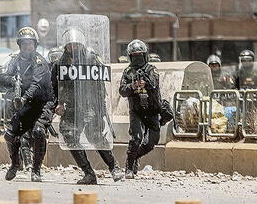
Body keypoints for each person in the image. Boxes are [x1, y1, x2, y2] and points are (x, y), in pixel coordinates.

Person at [52, 28, 123, 185]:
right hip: (71, 106)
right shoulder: (60, 63)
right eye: (70, 45)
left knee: (96, 136)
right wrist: (57, 104)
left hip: (90, 104)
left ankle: (114, 168)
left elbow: (101, 86)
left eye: (76, 45)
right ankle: (88, 173)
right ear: (66, 46)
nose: (73, 48)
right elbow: (54, 87)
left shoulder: (91, 59)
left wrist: (100, 106)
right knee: (69, 136)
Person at [0, 27, 52, 182]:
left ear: (35, 45)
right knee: (9, 135)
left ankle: (36, 170)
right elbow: (1, 75)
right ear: (19, 45)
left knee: (39, 132)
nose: (27, 47)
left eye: (30, 44)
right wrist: (12, 80)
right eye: (24, 44)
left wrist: (24, 98)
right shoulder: (15, 60)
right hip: (24, 105)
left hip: (41, 103)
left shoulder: (39, 61)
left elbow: (37, 84)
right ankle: (15, 164)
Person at [119, 40, 172, 179]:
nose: (137, 58)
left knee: (150, 143)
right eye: (134, 55)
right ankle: (129, 167)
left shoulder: (151, 69)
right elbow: (122, 90)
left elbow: (154, 83)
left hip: (152, 110)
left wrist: (145, 82)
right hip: (136, 111)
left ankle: (135, 157)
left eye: (139, 55)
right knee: (136, 138)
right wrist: (133, 86)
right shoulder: (128, 71)